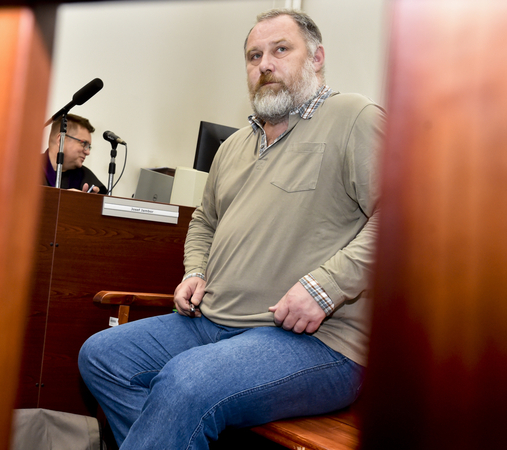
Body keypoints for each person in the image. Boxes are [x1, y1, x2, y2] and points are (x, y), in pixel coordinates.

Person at [78, 8, 385, 449]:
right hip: (213, 322)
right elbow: (204, 220)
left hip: (319, 341)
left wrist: (326, 287)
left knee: (186, 382)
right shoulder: (234, 145)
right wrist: (195, 270)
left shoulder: (354, 117)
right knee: (103, 356)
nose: (265, 64)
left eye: (281, 49)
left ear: (317, 58)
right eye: (254, 56)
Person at [42, 114, 106, 193]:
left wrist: (91, 200)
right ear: (61, 140)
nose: (88, 152)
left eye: (89, 146)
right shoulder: (29, 169)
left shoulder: (86, 178)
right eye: (84, 143)